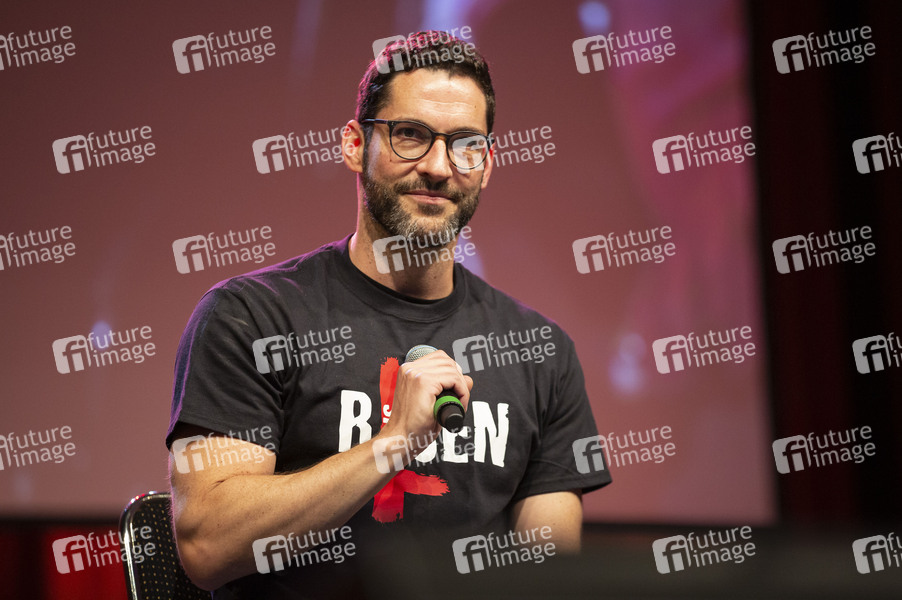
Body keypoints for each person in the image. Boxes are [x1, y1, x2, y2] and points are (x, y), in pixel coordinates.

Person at [166, 30, 611, 599]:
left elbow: (551, 578)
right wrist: (393, 443)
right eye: (410, 135)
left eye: (465, 144)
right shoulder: (251, 318)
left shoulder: (541, 350)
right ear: (355, 145)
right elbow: (208, 546)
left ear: (487, 163)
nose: (439, 167)